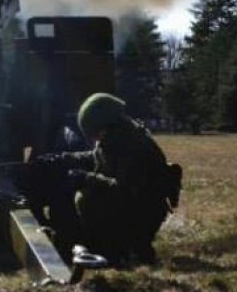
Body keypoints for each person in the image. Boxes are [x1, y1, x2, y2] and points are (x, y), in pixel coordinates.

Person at [43, 93, 180, 266]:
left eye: (96, 134)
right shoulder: (115, 139)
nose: (95, 139)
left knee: (86, 198)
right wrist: (63, 159)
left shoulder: (136, 148)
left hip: (141, 213)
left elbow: (124, 191)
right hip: (126, 206)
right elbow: (94, 157)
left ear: (110, 125)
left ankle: (124, 248)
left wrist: (86, 178)